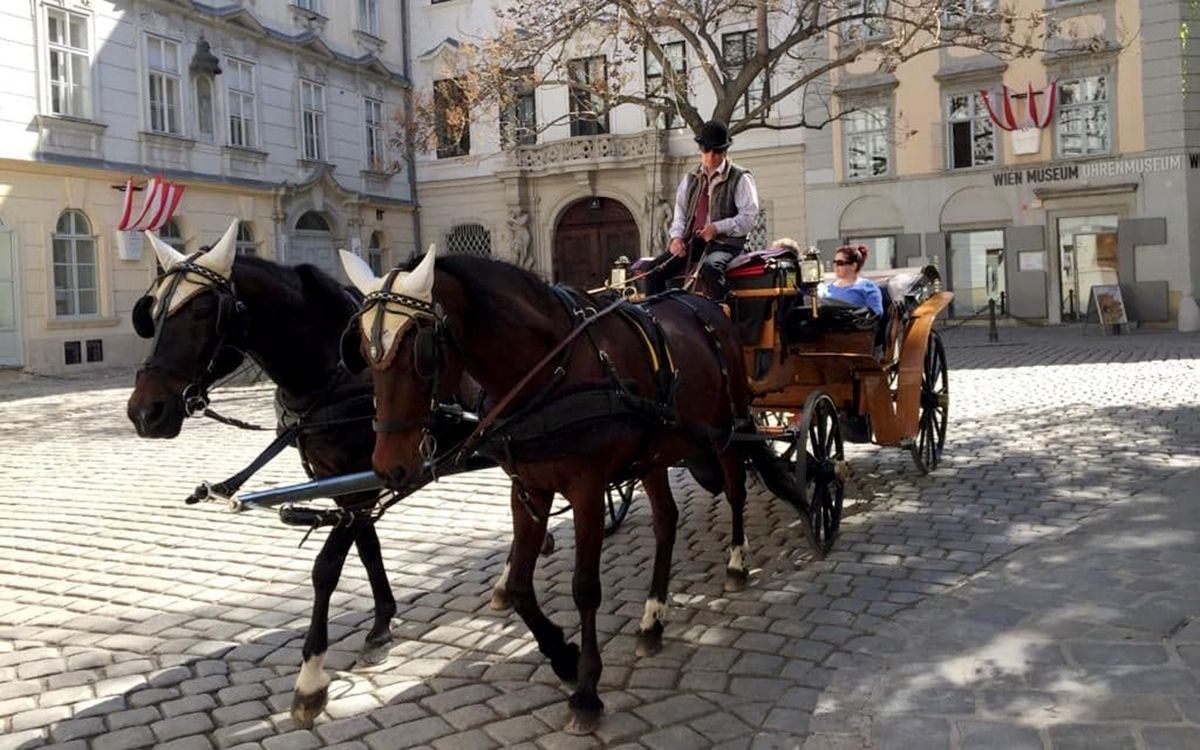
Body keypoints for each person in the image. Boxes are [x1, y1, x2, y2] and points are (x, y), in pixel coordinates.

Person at [645, 120, 760, 301]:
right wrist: (676, 238)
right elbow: (680, 215)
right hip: (692, 242)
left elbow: (749, 218)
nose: (711, 156)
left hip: (727, 245)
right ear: (701, 150)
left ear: (725, 151)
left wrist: (717, 228)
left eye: (717, 151)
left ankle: (723, 315)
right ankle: (656, 321)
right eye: (706, 150)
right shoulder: (690, 178)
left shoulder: (741, 178)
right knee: (652, 271)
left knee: (711, 268)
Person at [818, 244, 884, 316]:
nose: (835, 266)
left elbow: (876, 315)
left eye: (840, 263)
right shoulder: (826, 288)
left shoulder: (868, 287)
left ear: (853, 266)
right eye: (834, 262)